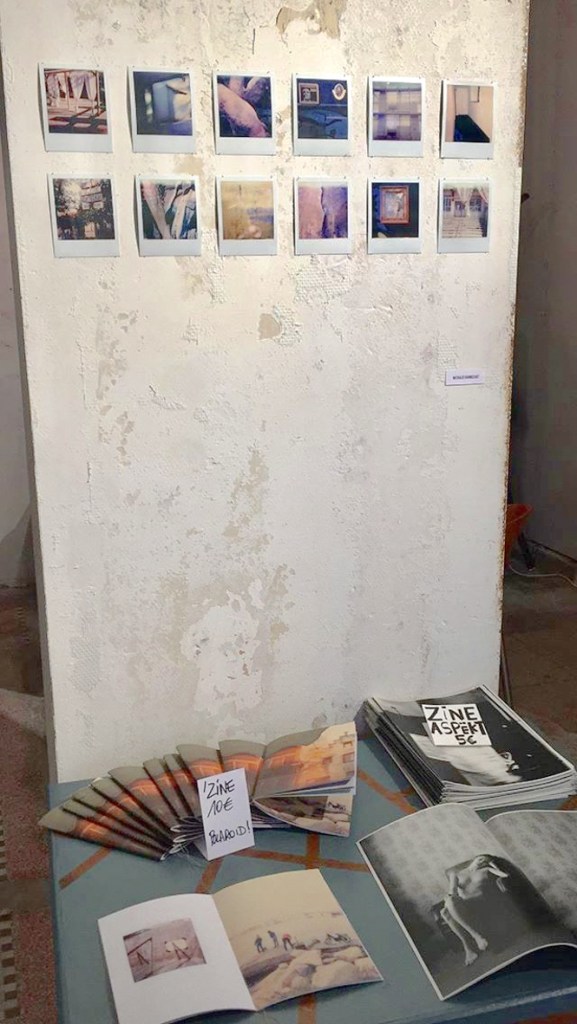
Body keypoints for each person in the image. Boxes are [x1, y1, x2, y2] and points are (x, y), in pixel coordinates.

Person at [440, 855, 509, 966]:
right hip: (463, 903)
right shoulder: (456, 874)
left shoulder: (486, 870)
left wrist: (492, 864)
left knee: (445, 912)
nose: (482, 861)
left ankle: (469, 948)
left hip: (478, 902)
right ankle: (476, 937)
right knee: (448, 904)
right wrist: (450, 897)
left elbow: (505, 875)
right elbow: (453, 891)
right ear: (474, 859)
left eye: (485, 861)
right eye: (480, 858)